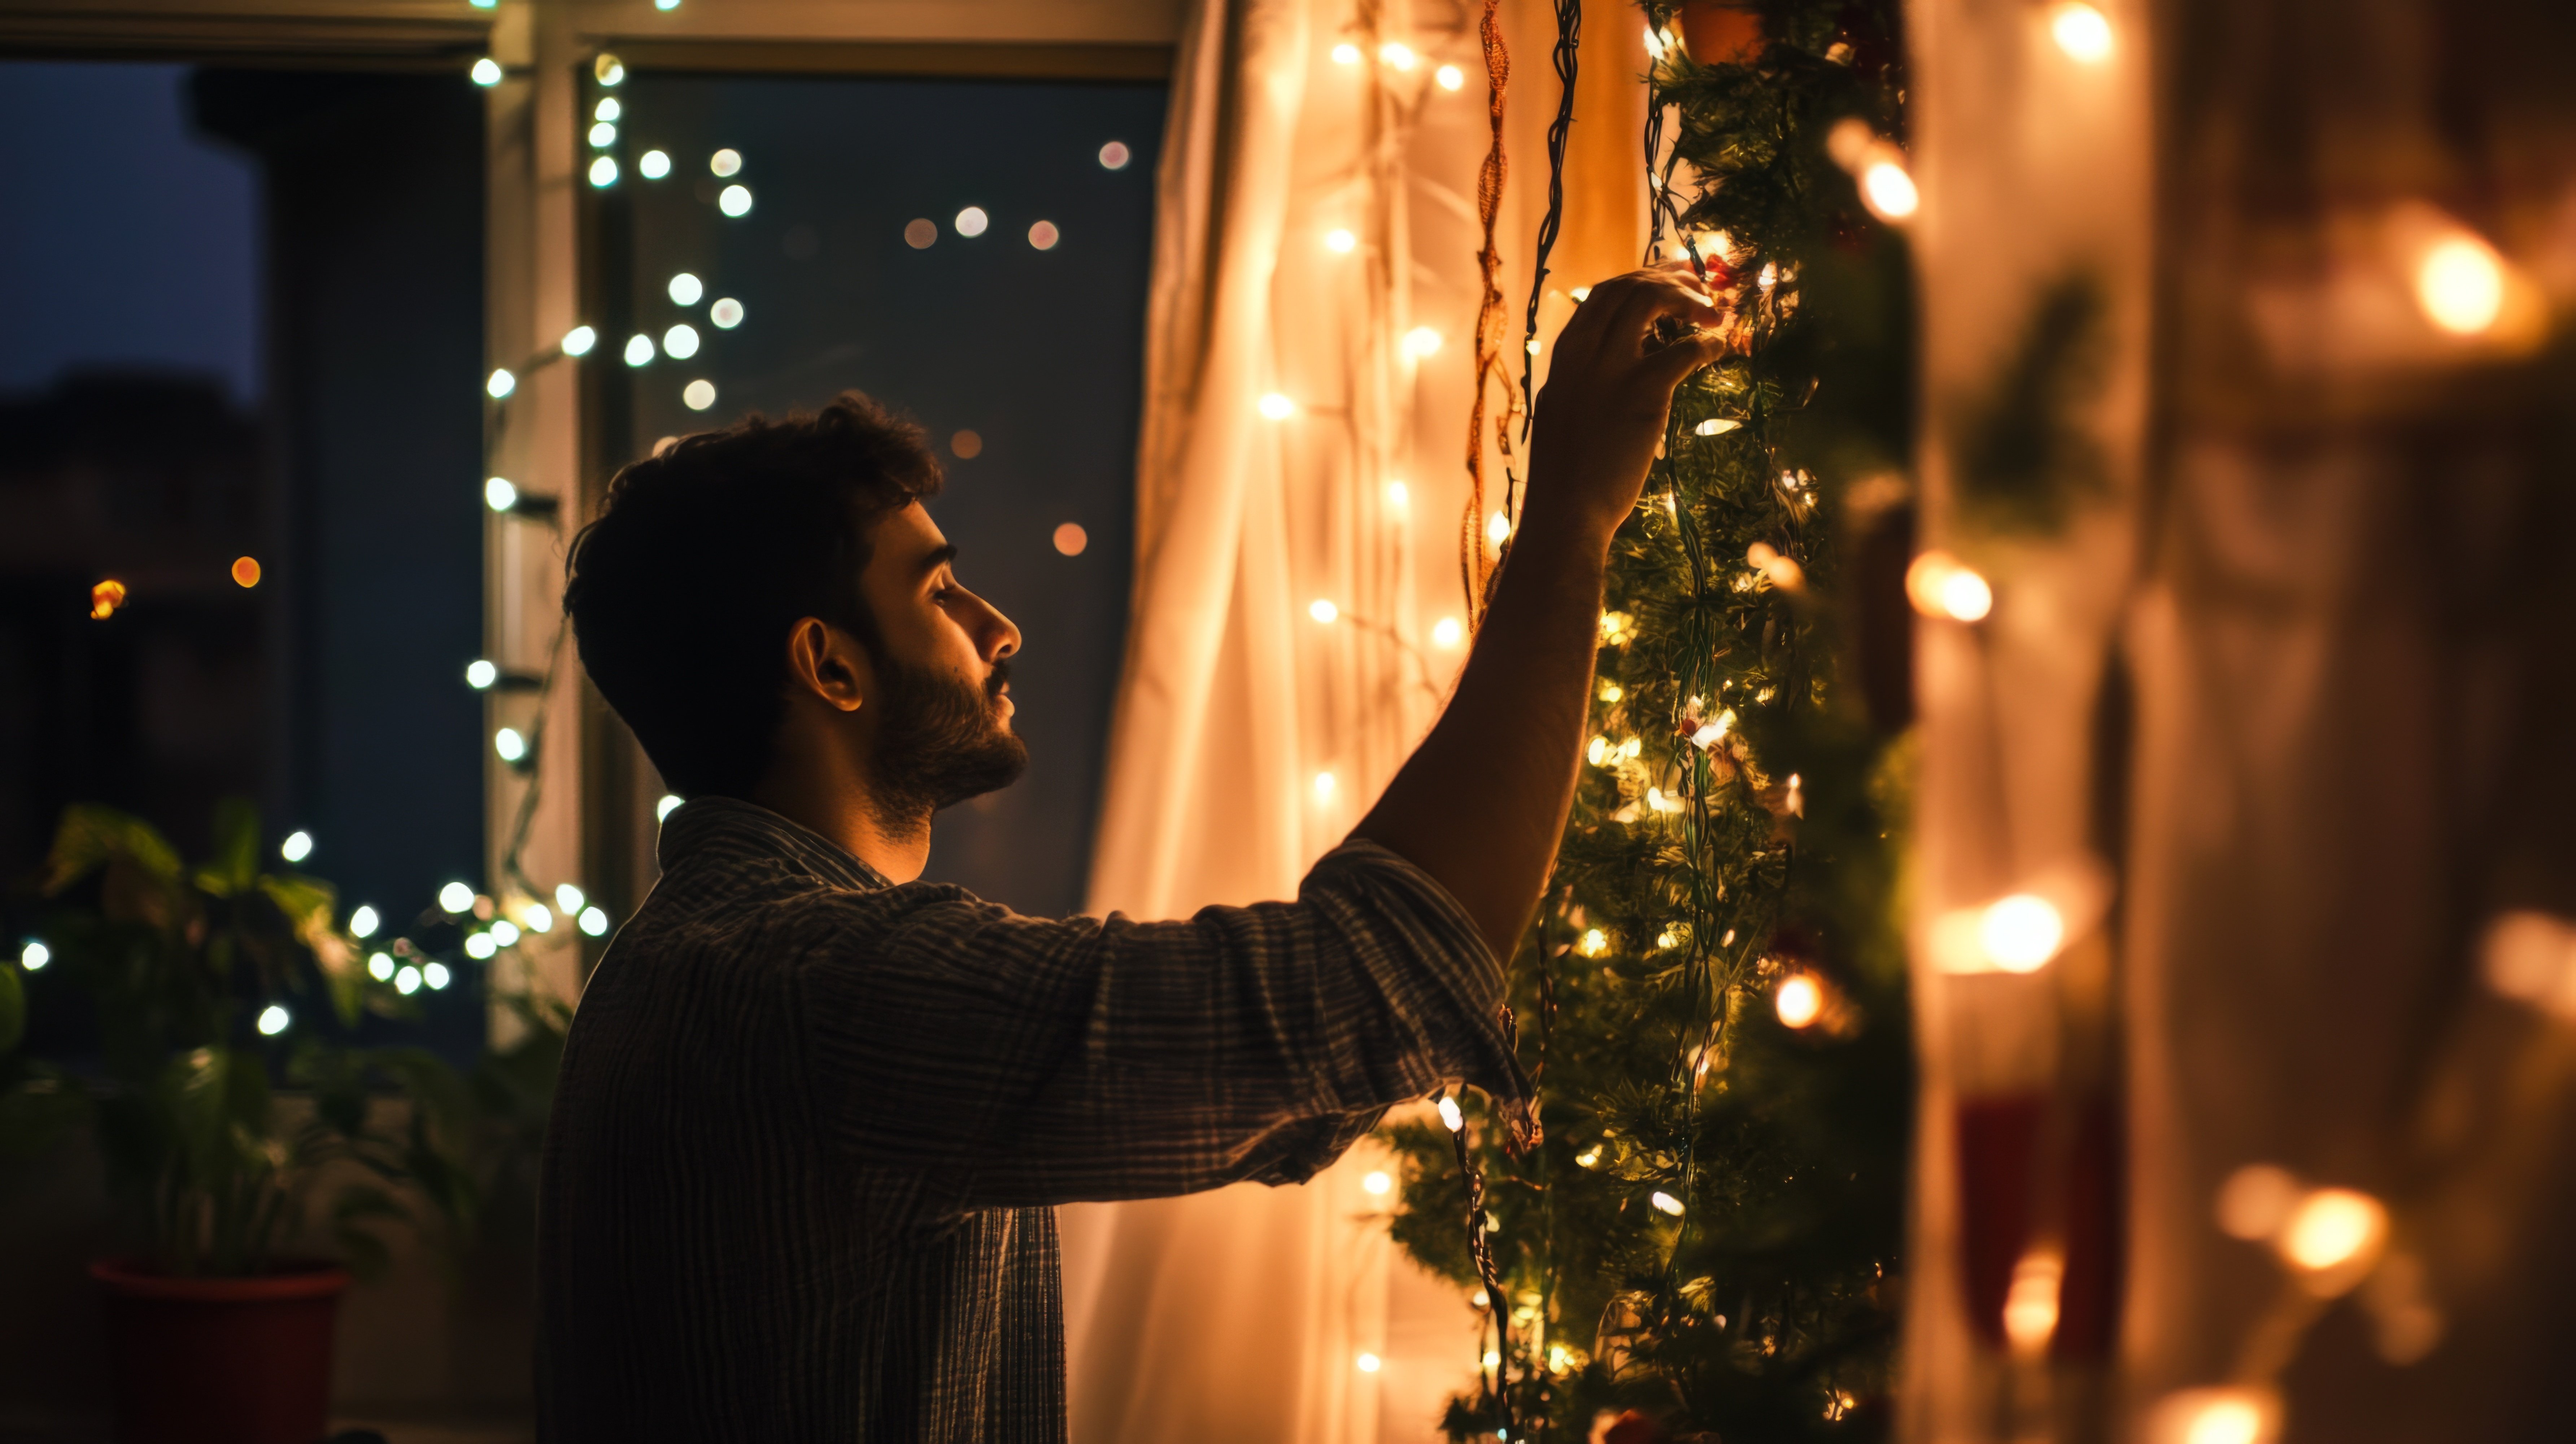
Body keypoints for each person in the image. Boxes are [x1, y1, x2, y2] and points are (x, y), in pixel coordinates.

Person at [538, 263, 1724, 1442]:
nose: (998, 629)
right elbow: (1369, 986)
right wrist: (1572, 514)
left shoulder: (714, 961)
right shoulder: (813, 988)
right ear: (829, 666)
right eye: (940, 591)